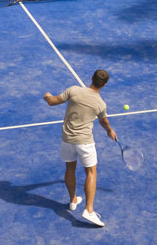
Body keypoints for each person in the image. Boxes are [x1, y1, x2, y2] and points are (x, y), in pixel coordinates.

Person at [43, 69, 117, 227]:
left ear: (91, 78)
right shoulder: (100, 104)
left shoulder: (74, 90)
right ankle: (89, 210)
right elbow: (103, 122)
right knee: (91, 172)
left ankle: (73, 200)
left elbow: (52, 101)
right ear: (104, 85)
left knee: (70, 169)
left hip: (67, 140)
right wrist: (109, 130)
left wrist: (47, 96)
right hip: (84, 142)